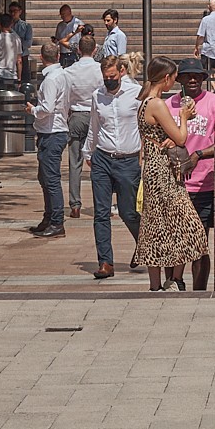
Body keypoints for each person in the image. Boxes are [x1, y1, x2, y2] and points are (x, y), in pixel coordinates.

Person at [133, 57, 209, 290]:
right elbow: (181, 137)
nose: (175, 82)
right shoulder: (156, 103)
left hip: (154, 167)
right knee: (187, 223)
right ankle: (174, 279)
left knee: (156, 223)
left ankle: (158, 283)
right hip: (163, 171)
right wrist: (184, 118)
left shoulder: (145, 103)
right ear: (166, 78)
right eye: (174, 78)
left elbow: (159, 134)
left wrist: (168, 134)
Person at [169, 59, 215, 290]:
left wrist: (198, 154)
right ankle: (174, 282)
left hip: (205, 184)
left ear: (204, 78)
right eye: (187, 76)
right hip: (175, 184)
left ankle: (199, 290)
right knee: (174, 240)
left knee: (199, 242)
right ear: (179, 80)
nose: (192, 80)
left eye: (197, 75)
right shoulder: (169, 105)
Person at [82, 51, 143, 279]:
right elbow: (94, 126)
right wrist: (88, 151)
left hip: (128, 160)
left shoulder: (136, 94)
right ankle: (105, 262)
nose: (109, 82)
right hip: (103, 159)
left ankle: (143, 244)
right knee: (101, 212)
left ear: (121, 72)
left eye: (112, 77)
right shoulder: (98, 96)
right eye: (105, 78)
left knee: (129, 212)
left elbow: (145, 125)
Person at [27, 41, 72, 238]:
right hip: (53, 130)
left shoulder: (51, 79)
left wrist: (32, 110)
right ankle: (49, 217)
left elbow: (46, 108)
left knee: (51, 179)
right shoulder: (62, 75)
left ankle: (56, 221)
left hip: (52, 132)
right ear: (59, 56)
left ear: (41, 58)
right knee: (45, 177)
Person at [63, 36, 104, 220]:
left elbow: (65, 97)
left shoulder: (70, 71)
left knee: (75, 162)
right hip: (95, 115)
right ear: (95, 49)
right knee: (99, 163)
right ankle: (101, 203)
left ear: (78, 50)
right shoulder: (100, 70)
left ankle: (75, 203)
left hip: (77, 114)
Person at [0, 13, 22, 87]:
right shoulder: (17, 38)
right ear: (11, 24)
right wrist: (19, 78)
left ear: (0, 23)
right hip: (12, 75)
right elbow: (19, 60)